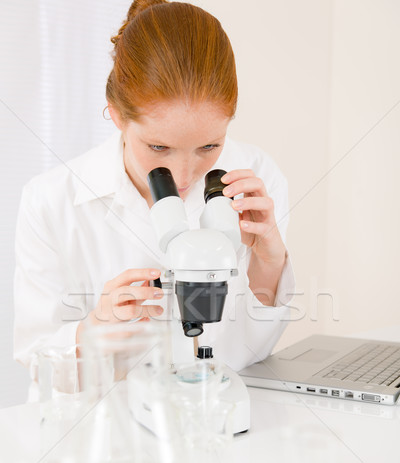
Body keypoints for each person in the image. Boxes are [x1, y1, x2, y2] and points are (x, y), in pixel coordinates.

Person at [14, 0, 294, 375]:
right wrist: (93, 331)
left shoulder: (257, 178)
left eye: (209, 147)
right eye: (159, 147)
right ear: (115, 114)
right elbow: (35, 359)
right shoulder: (50, 200)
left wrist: (269, 264)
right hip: (107, 423)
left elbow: (253, 353)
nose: (182, 177)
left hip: (221, 421)